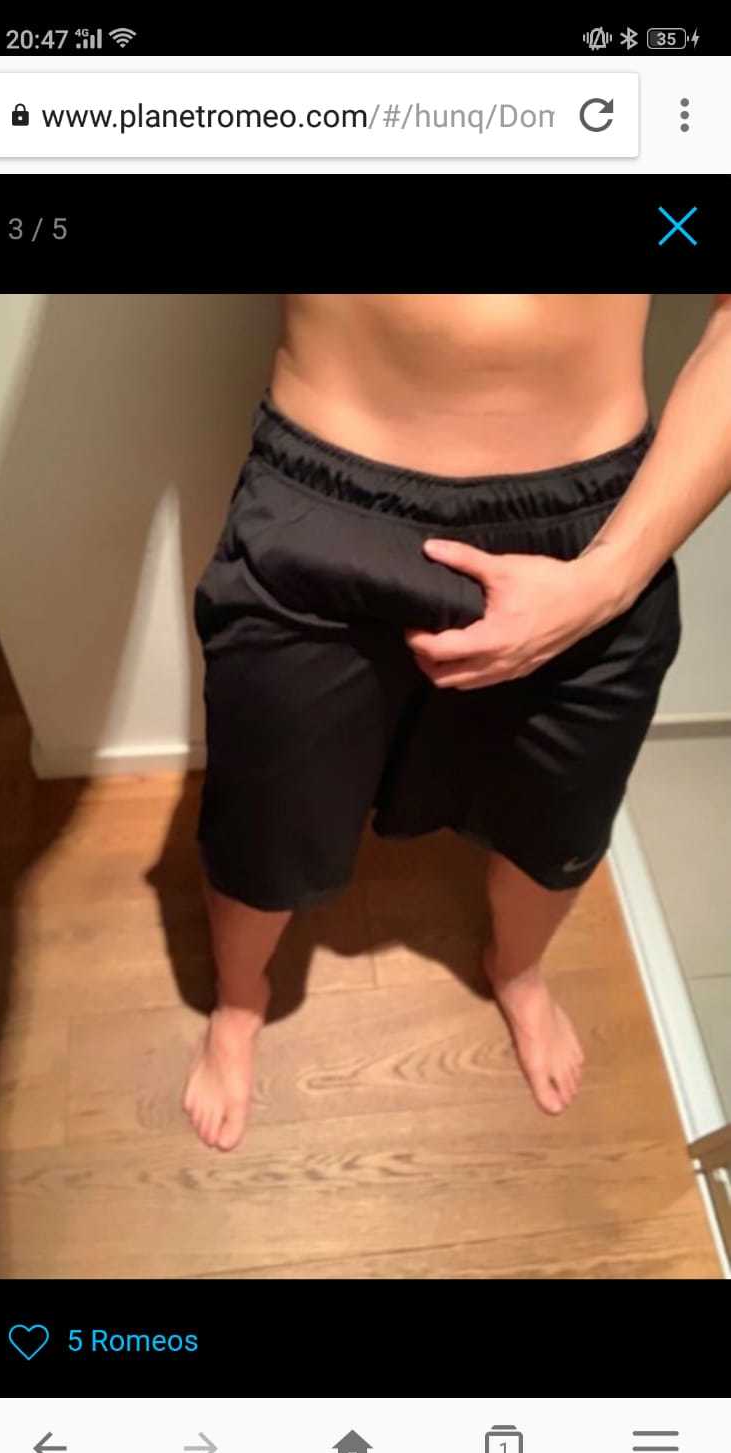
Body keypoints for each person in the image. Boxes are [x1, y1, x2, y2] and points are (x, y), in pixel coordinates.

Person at [185, 293, 731, 1152]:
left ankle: (516, 970)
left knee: (557, 824)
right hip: (321, 509)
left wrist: (608, 579)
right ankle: (240, 998)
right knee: (263, 825)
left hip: (594, 532)